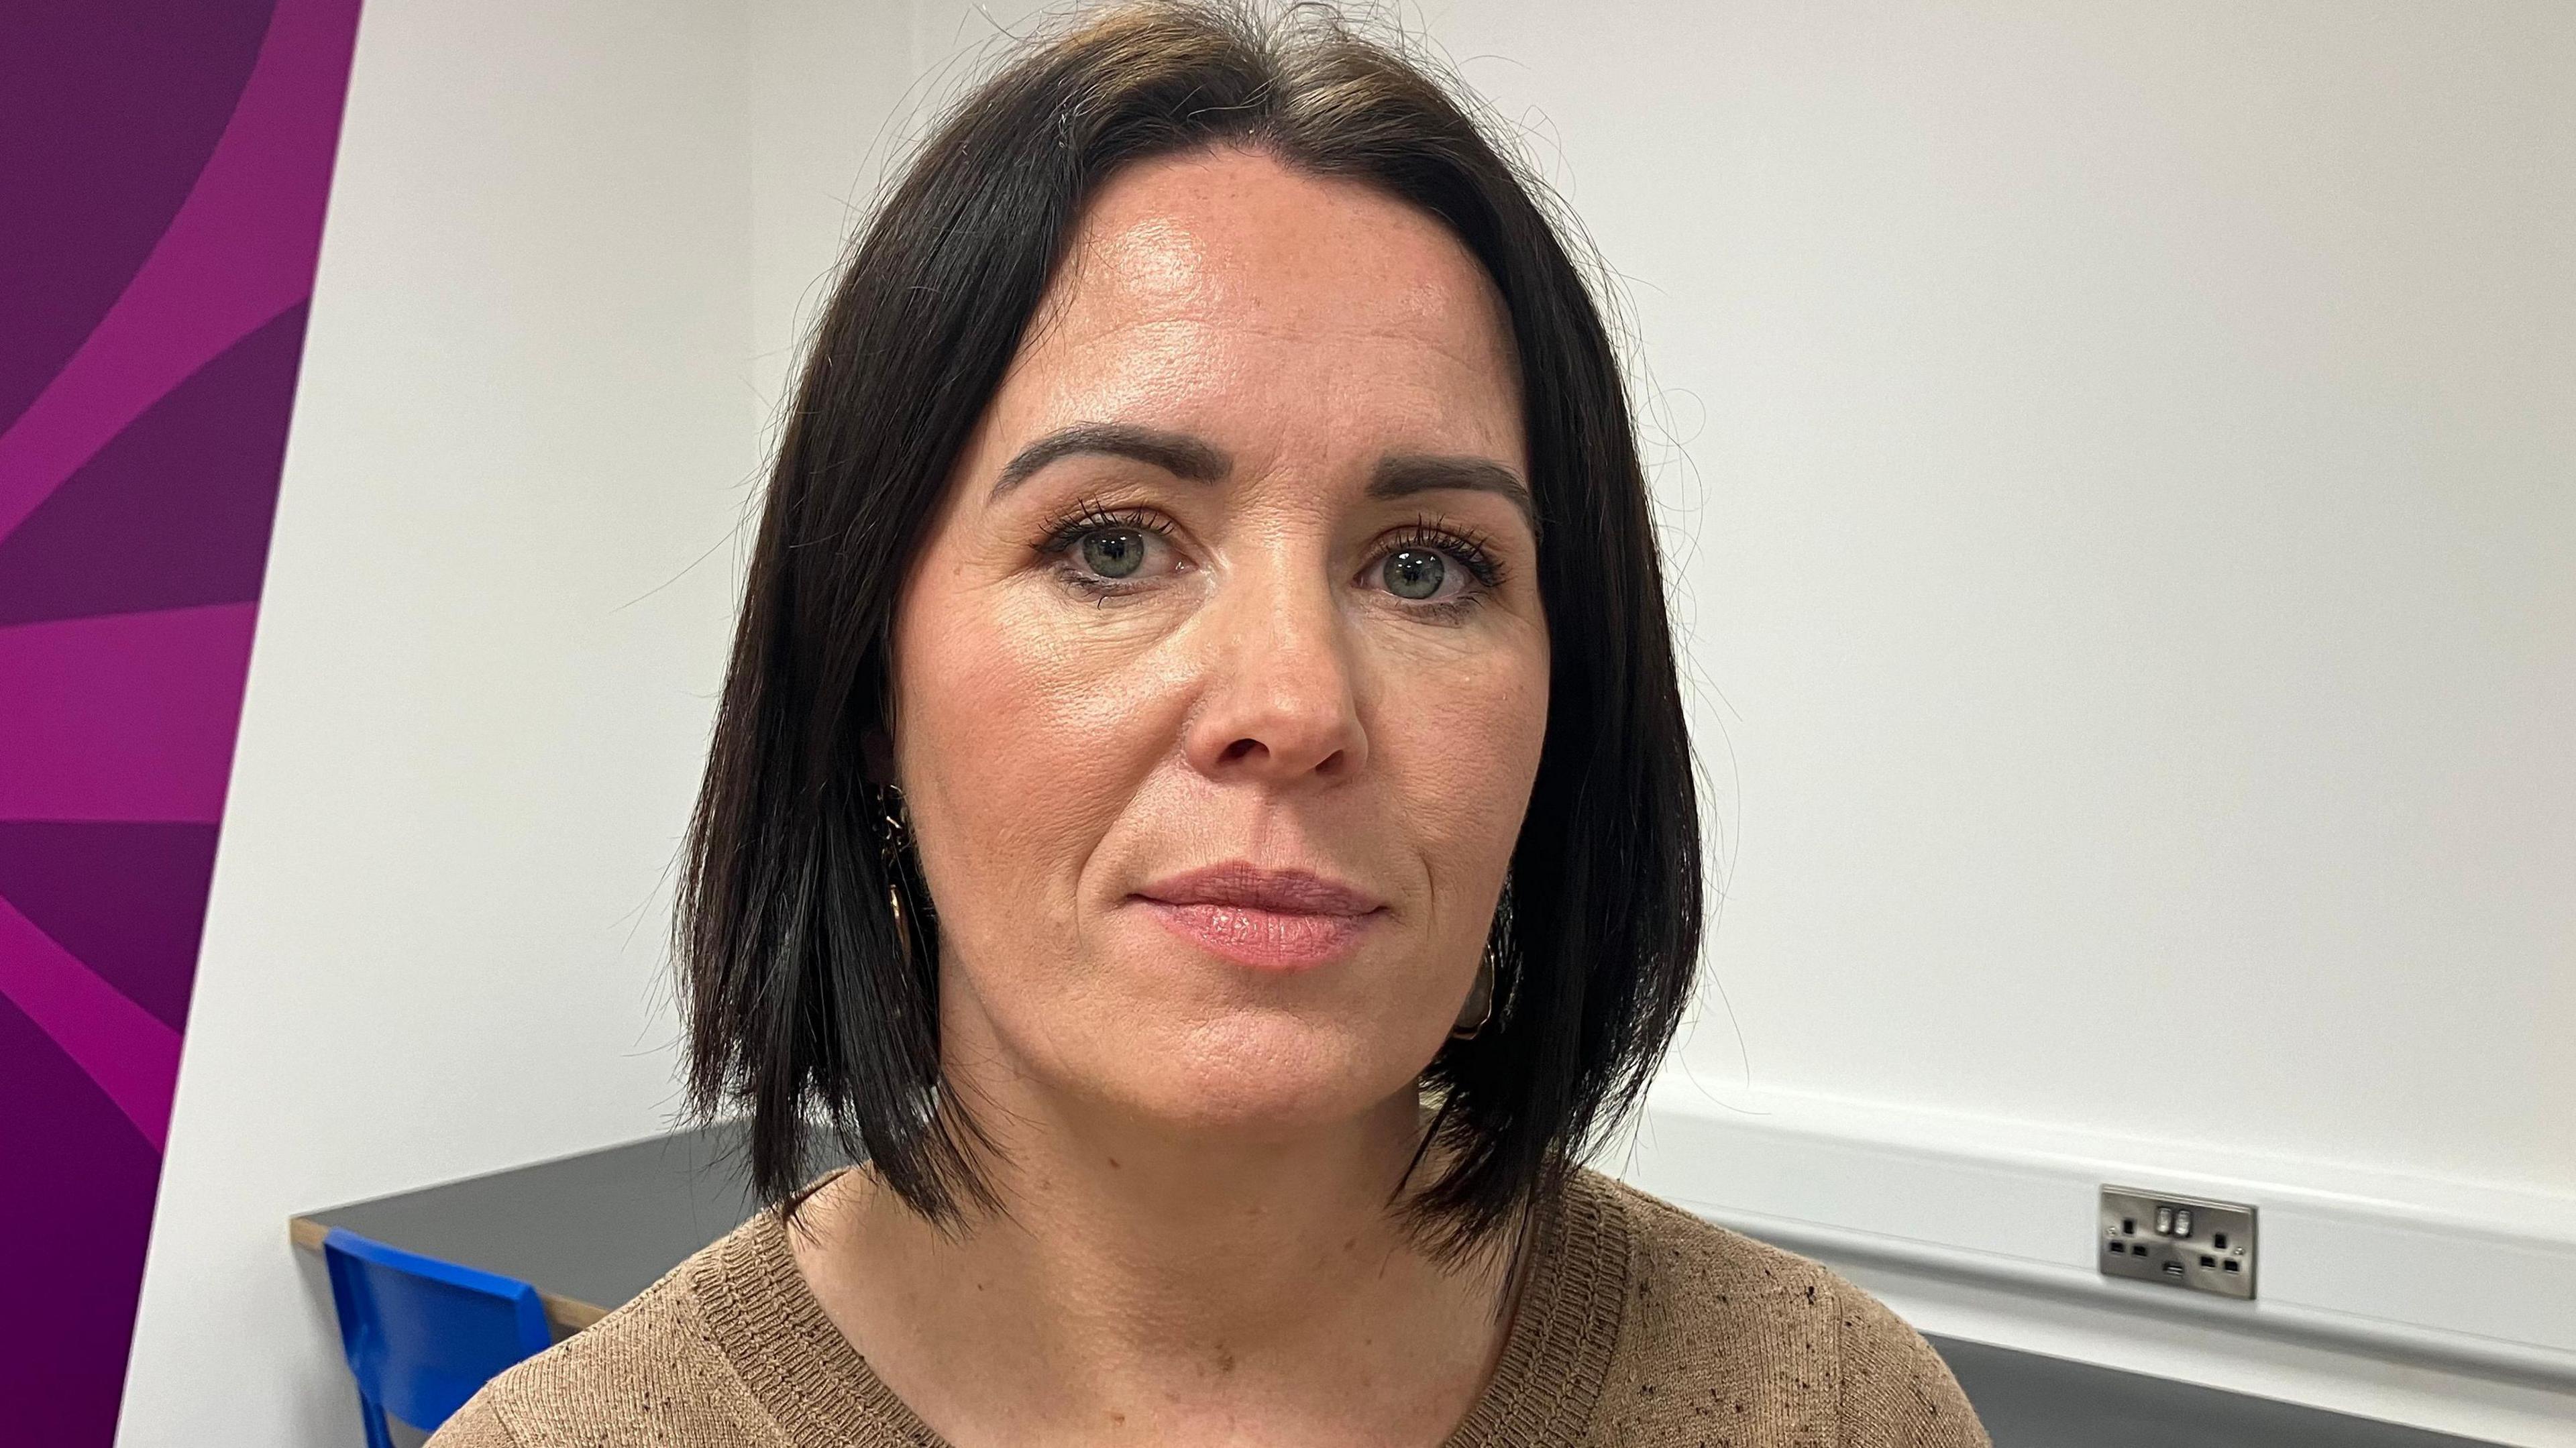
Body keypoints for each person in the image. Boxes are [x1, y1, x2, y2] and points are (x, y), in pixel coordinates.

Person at [433, 3, 1988, 1443]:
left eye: (1428, 567)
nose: (1296, 708)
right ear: (858, 685)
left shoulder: (1830, 1411)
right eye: (1113, 543)